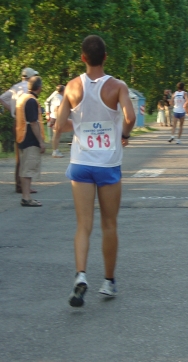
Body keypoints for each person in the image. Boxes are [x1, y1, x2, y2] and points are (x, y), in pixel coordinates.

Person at [55, 35, 136, 307]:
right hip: (108, 164)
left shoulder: (72, 87)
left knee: (83, 225)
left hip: (80, 164)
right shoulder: (117, 86)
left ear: (83, 58)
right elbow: (130, 116)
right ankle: (109, 282)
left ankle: (80, 275)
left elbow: (59, 124)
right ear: (106, 57)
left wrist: (78, 126)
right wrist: (124, 133)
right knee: (109, 224)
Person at [0, 67, 39, 193]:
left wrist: (12, 108)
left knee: (19, 154)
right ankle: (25, 186)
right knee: (29, 153)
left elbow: (1, 98)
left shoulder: (15, 88)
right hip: (27, 122)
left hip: (16, 121)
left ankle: (19, 184)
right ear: (30, 77)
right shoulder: (28, 88)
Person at [15, 76, 45, 206]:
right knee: (28, 169)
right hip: (30, 138)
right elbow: (33, 122)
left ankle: (25, 196)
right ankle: (26, 198)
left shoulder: (22, 97)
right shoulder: (32, 101)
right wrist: (41, 141)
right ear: (39, 87)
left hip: (21, 137)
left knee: (24, 168)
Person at [45, 85, 65, 157]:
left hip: (55, 117)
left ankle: (56, 150)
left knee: (57, 135)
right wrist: (58, 119)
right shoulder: (58, 98)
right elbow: (56, 109)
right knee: (56, 135)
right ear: (62, 91)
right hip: (56, 118)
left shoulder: (57, 97)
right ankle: (55, 151)